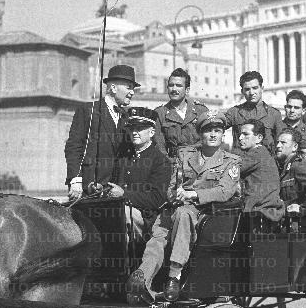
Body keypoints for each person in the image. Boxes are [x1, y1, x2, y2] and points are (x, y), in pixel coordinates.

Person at [126, 110, 241, 304]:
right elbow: (172, 186)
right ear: (200, 134)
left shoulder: (231, 161)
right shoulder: (185, 155)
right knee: (159, 234)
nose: (212, 134)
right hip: (177, 208)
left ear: (223, 135)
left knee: (184, 214)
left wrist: (193, 194)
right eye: (207, 130)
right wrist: (175, 195)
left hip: (208, 214)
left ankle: (174, 276)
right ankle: (143, 277)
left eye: (217, 130)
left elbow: (225, 191)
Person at [65, 64, 137, 200]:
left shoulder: (128, 119)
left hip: (116, 191)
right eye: (129, 87)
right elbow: (74, 147)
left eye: (133, 88)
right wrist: (75, 179)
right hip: (88, 188)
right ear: (113, 88)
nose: (132, 92)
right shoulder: (88, 111)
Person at [106, 107, 172, 246]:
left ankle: (125, 263)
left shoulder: (160, 160)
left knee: (120, 214)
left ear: (152, 132)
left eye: (140, 128)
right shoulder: (124, 157)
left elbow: (157, 199)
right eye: (132, 129)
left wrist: (124, 194)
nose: (135, 132)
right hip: (122, 210)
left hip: (147, 216)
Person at [153, 68, 209, 159]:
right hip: (173, 163)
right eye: (171, 85)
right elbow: (159, 146)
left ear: (187, 90)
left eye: (178, 85)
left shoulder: (201, 111)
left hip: (199, 162)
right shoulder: (160, 113)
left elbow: (209, 140)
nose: (174, 89)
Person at [224, 71, 284, 154]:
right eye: (247, 89)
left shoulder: (274, 114)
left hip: (264, 163)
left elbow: (281, 142)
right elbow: (216, 127)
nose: (251, 93)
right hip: (240, 163)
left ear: (262, 88)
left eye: (255, 88)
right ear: (242, 91)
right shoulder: (234, 113)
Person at [237, 120, 284, 222]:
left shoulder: (256, 154)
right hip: (266, 211)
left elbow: (232, 171)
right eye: (240, 134)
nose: (240, 138)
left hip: (260, 213)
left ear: (259, 138)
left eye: (245, 134)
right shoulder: (262, 153)